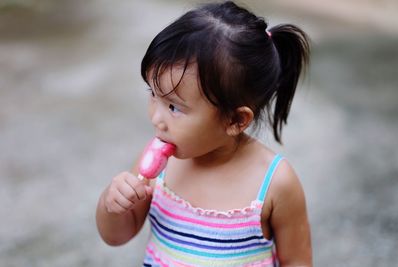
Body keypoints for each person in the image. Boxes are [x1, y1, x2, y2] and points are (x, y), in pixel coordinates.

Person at [96, 1, 312, 266]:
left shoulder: (276, 183)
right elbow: (116, 236)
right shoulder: (159, 169)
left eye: (174, 107)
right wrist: (113, 204)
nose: (156, 118)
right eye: (153, 94)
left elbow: (297, 261)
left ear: (235, 119)